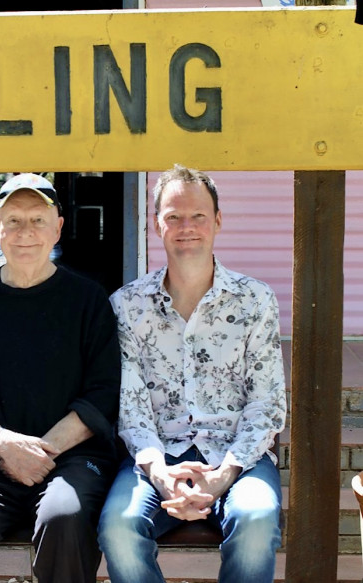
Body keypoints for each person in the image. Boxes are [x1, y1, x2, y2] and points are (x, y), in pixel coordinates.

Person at [0, 173, 121, 583]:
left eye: (37, 220)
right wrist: (4, 442)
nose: (25, 232)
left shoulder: (88, 299)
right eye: (13, 220)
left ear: (58, 228)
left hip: (71, 457)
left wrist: (38, 452)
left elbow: (103, 393)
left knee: (64, 517)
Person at [98, 164, 287, 583]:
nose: (187, 227)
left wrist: (223, 475)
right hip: (156, 455)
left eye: (198, 215)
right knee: (119, 527)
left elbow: (267, 403)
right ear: (156, 225)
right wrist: (160, 474)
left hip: (238, 457)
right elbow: (131, 407)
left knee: (256, 521)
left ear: (217, 221)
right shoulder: (127, 305)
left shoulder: (254, 300)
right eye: (174, 216)